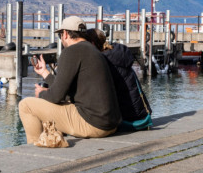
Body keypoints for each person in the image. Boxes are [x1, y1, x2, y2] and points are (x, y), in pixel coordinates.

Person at [18, 16, 121, 144]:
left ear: (65, 34)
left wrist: (41, 93)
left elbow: (55, 96)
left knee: (26, 105)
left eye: (60, 35)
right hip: (110, 124)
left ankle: (33, 149)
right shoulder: (93, 51)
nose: (61, 39)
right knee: (55, 102)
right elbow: (65, 90)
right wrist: (44, 72)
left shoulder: (71, 51)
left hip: (93, 124)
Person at [85, 28, 152, 123]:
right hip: (142, 113)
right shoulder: (117, 53)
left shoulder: (104, 61)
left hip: (127, 118)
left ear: (92, 44)